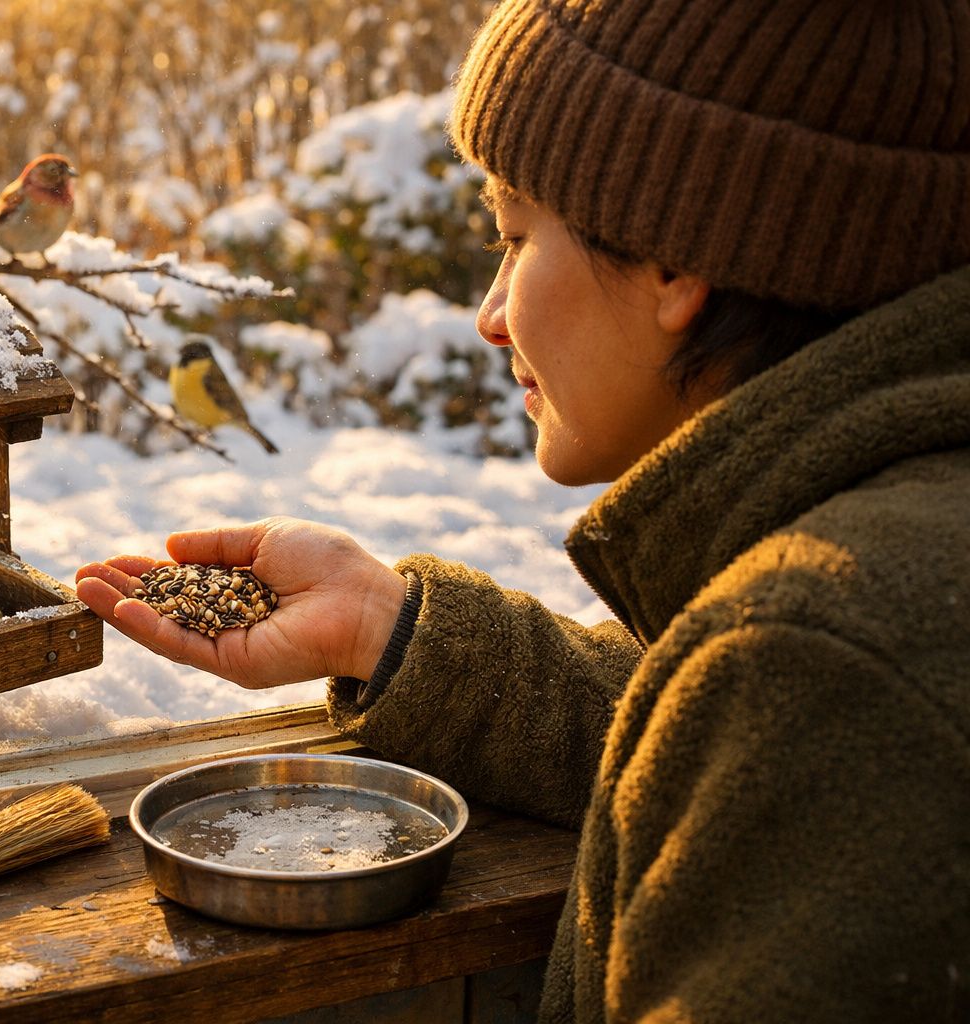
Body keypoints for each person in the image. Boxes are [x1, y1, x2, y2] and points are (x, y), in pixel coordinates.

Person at [77, 0, 970, 1020]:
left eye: (514, 236)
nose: (491, 315)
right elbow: (728, 769)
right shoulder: (867, 600)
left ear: (676, 260)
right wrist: (392, 629)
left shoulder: (825, 663)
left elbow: (793, 717)